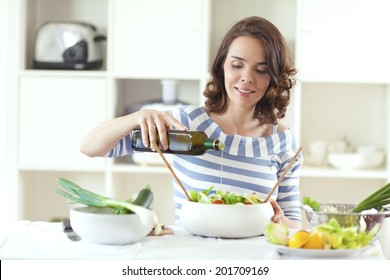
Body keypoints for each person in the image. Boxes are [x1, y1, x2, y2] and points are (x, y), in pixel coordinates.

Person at [80, 16, 303, 229]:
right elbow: (90, 147)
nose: (247, 77)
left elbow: (293, 223)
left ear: (274, 77)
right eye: (237, 65)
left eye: (261, 70)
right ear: (221, 66)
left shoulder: (283, 142)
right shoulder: (187, 123)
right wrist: (136, 117)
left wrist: (282, 222)